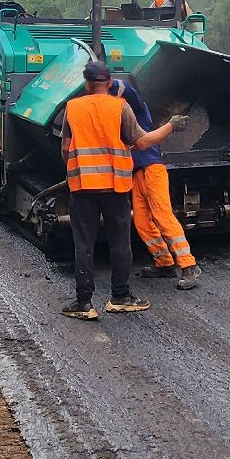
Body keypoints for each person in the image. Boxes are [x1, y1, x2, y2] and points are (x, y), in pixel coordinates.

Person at [60, 61, 184, 320]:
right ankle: (120, 297)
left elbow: (65, 148)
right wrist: (171, 126)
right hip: (115, 187)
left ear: (86, 84)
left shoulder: (72, 108)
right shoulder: (121, 107)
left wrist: (75, 170)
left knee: (83, 244)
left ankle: (84, 303)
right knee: (120, 243)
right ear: (109, 83)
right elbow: (142, 141)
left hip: (82, 187)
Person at [109, 77, 201, 290]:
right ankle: (164, 263)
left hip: (153, 169)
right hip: (138, 173)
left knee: (162, 215)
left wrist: (104, 81)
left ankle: (189, 266)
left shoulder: (137, 108)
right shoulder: (118, 116)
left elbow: (125, 89)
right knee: (142, 221)